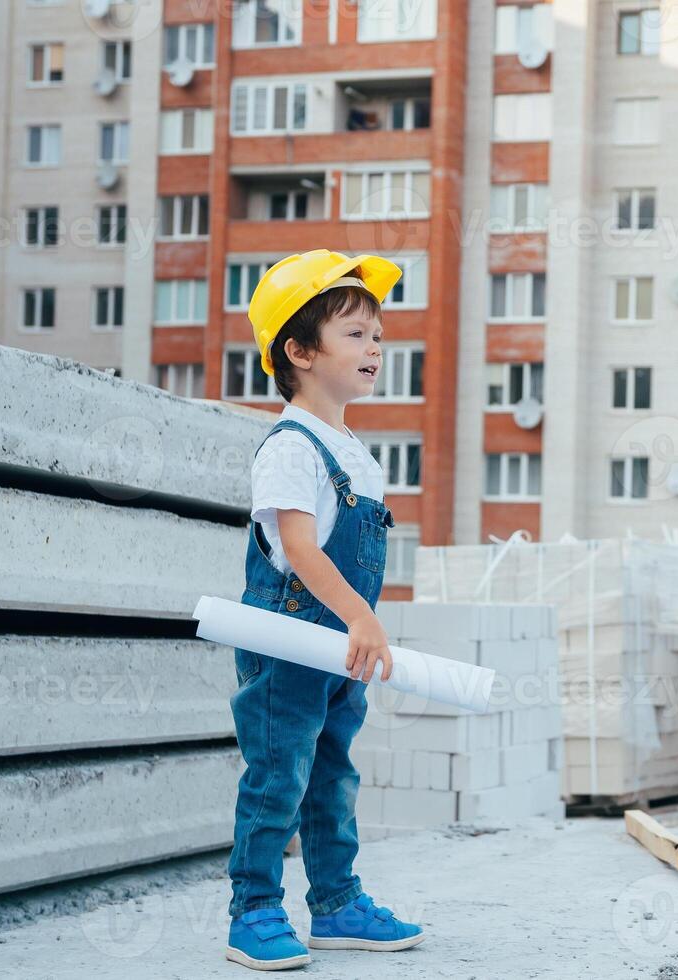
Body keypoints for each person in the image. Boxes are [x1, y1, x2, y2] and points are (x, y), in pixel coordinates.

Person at [224, 249, 426, 971]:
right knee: (276, 775)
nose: (375, 347)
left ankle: (336, 905)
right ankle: (252, 911)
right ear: (299, 351)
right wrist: (361, 619)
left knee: (331, 775)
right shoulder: (290, 446)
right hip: (289, 645)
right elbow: (302, 550)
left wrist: (358, 627)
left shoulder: (354, 451)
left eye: (376, 333)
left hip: (337, 648)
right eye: (355, 333)